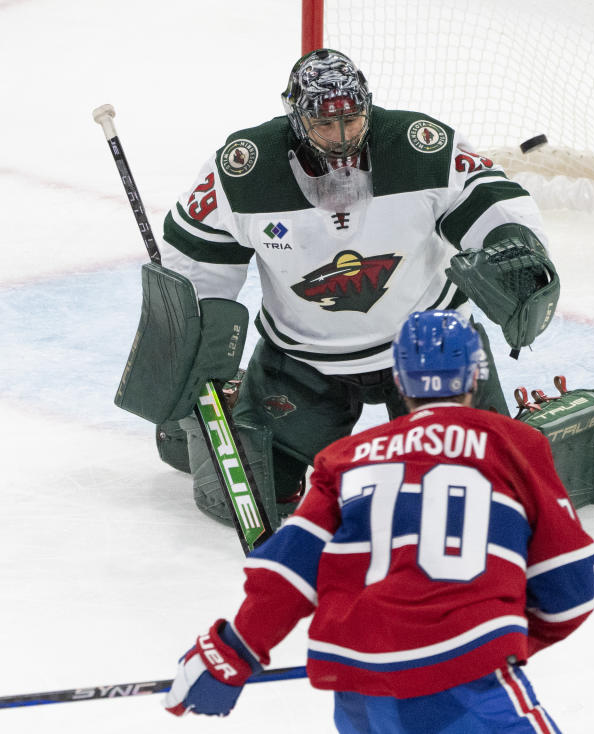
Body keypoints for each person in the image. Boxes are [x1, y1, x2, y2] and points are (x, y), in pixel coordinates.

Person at [149, 48, 560, 527]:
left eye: (353, 119)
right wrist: (197, 338)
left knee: (476, 497)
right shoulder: (245, 169)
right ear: (297, 118)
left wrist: (512, 247)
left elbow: (492, 198)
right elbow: (194, 255)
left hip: (430, 347)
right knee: (247, 496)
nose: (342, 137)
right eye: (326, 125)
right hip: (304, 359)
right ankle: (224, 410)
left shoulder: (420, 145)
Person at [163, 310, 594, 733]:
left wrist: (231, 653)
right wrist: (504, 639)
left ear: (398, 379)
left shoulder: (346, 458)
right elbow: (569, 585)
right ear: (474, 376)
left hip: (359, 687)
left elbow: (287, 572)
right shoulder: (514, 445)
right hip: (465, 682)